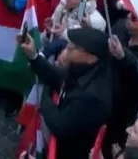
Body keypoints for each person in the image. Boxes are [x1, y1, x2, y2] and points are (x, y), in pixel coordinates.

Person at [19, 26, 113, 159]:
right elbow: (58, 77)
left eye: (75, 46)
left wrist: (45, 103)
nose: (68, 47)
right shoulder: (85, 66)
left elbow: (60, 125)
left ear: (91, 58)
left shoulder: (92, 96)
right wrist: (34, 56)